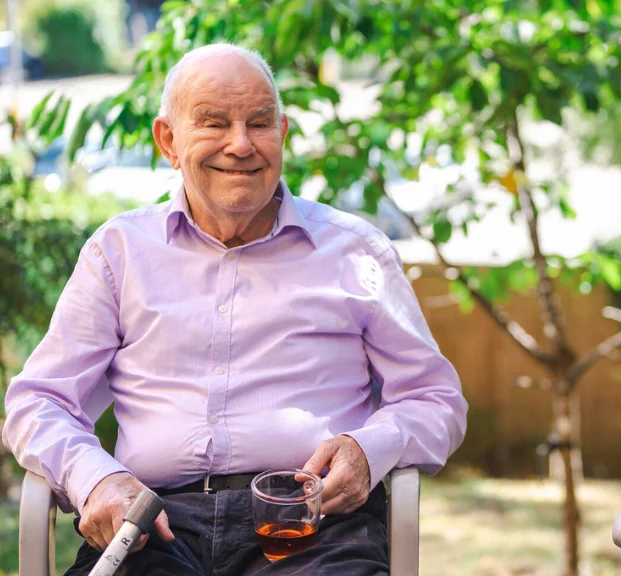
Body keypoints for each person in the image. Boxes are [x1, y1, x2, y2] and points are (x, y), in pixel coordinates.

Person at [3, 43, 468, 576]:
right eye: (214, 123)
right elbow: (38, 402)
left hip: (310, 525)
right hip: (151, 525)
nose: (241, 144)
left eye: (260, 123)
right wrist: (96, 479)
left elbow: (436, 400)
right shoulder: (119, 252)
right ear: (168, 142)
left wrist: (368, 450)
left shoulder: (357, 251)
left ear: (283, 134)